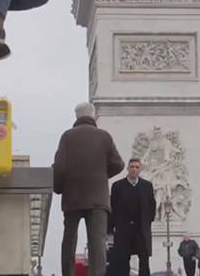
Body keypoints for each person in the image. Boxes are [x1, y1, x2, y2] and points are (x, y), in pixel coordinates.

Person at [53, 102, 125, 276]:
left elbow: (59, 167)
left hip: (72, 197)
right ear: (93, 115)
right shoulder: (104, 136)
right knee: (97, 242)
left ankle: (68, 273)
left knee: (69, 239)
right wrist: (101, 176)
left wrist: (59, 188)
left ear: (76, 116)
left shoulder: (67, 137)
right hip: (98, 199)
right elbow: (119, 164)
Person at [109, 158, 156, 276]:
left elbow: (152, 205)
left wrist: (148, 221)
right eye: (132, 167)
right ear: (127, 168)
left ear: (140, 170)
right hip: (123, 231)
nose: (134, 169)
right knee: (123, 261)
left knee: (144, 261)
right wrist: (111, 228)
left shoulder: (147, 186)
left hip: (141, 230)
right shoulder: (117, 186)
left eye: (137, 167)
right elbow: (112, 207)